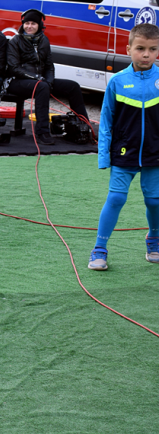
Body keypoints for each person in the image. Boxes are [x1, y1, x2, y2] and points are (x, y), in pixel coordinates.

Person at [88, 24, 159, 271]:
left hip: (154, 155)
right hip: (123, 154)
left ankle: (154, 240)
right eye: (140, 49)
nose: (146, 54)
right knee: (116, 198)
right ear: (128, 49)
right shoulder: (118, 81)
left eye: (153, 49)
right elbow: (106, 121)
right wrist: (103, 157)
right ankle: (99, 249)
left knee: (155, 202)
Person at [5, 8, 89, 145]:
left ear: (39, 25)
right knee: (42, 87)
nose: (29, 26)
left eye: (33, 23)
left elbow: (49, 65)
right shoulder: (15, 41)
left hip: (42, 80)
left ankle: (84, 126)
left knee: (73, 86)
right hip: (17, 81)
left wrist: (49, 80)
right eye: (27, 23)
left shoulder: (44, 40)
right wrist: (38, 79)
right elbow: (14, 68)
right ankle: (42, 132)